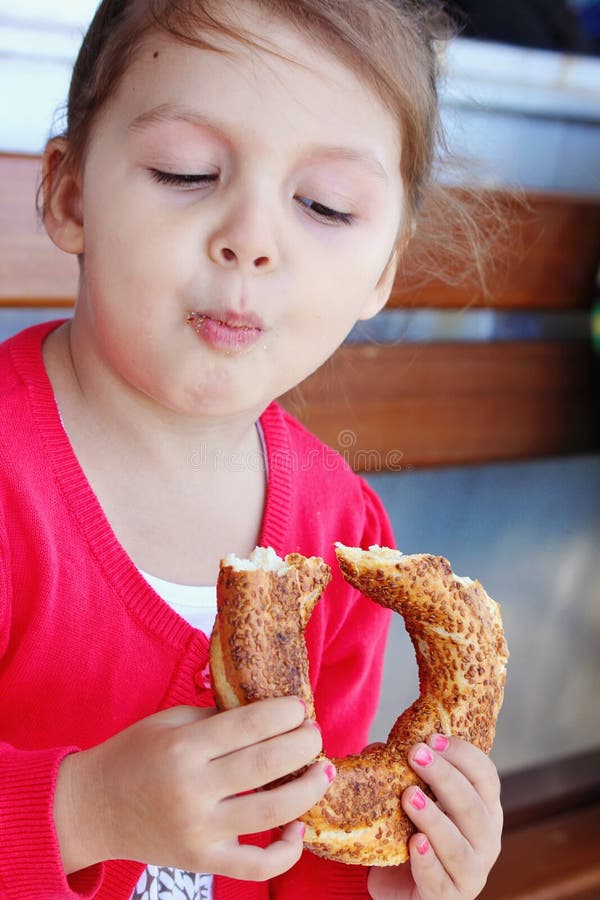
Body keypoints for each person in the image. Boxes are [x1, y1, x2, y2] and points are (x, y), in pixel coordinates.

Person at [0, 1, 504, 898]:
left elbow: (302, 843)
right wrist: (81, 810)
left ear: (383, 270)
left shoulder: (344, 529)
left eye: (325, 204)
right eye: (186, 172)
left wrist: (385, 884)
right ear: (72, 192)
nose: (252, 240)